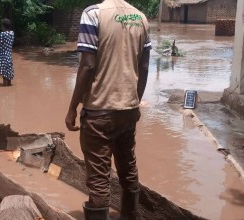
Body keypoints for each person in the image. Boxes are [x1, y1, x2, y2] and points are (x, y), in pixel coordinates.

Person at [65, 0, 151, 219]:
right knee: (128, 169)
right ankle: (130, 216)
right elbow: (143, 66)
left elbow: (88, 65)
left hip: (99, 113)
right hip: (128, 111)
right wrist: (136, 101)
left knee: (98, 181)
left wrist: (72, 108)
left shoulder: (93, 14)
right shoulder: (140, 18)